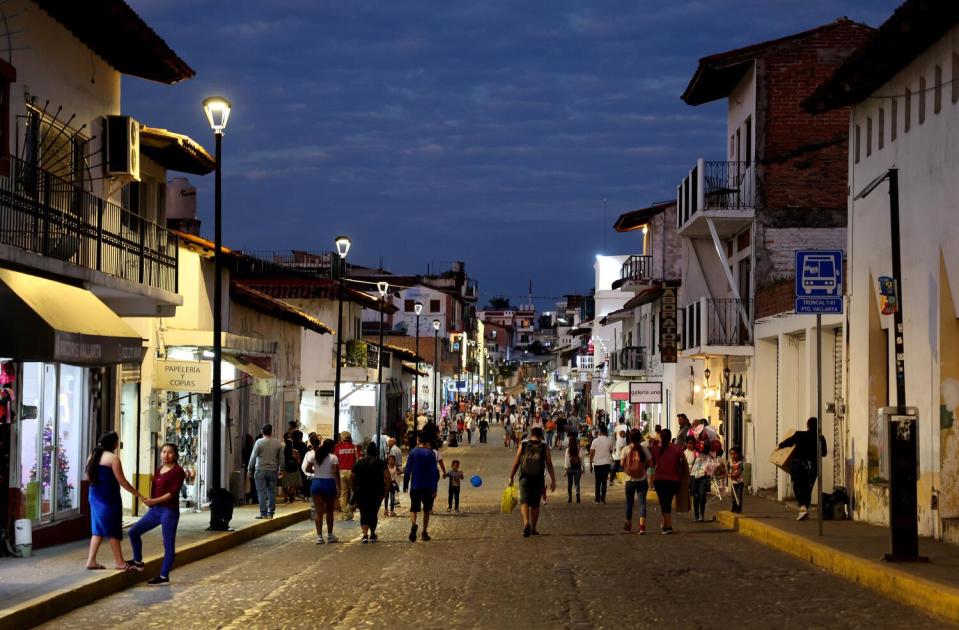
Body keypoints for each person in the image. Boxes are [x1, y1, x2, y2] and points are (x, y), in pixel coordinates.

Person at [129, 443, 186, 584]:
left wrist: (153, 501)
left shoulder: (178, 471)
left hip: (169, 511)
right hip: (155, 510)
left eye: (170, 452)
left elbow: (172, 494)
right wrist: (150, 501)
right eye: (164, 452)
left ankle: (163, 576)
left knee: (168, 544)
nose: (166, 455)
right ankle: (138, 561)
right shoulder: (159, 469)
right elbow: (154, 488)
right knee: (133, 532)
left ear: (175, 455)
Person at [85, 432, 142, 571]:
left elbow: (88, 478)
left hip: (94, 496)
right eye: (117, 440)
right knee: (113, 530)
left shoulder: (92, 456)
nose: (118, 443)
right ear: (113, 444)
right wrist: (137, 494)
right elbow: (122, 481)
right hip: (109, 498)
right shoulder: (113, 458)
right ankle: (120, 562)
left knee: (98, 530)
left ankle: (91, 561)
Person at [508, 427, 556, 537]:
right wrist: (553, 480)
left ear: (531, 434)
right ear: (541, 435)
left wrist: (511, 476)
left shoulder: (524, 444)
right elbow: (549, 463)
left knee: (524, 501)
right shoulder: (544, 447)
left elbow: (516, 462)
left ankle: (526, 523)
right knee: (535, 505)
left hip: (524, 477)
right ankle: (533, 528)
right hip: (538, 478)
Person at [778, 417, 828, 521]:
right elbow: (824, 453)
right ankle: (805, 509)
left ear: (807, 425)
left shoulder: (800, 435)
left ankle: (803, 508)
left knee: (798, 487)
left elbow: (788, 442)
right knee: (807, 488)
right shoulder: (820, 438)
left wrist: (780, 446)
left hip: (798, 466)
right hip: (812, 468)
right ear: (818, 426)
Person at [404, 430, 440, 542]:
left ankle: (414, 524)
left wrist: (405, 483)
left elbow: (408, 469)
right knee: (426, 510)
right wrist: (434, 488)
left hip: (415, 486)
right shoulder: (431, 453)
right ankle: (424, 532)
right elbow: (434, 472)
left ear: (418, 440)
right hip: (428, 487)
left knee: (413, 509)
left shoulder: (413, 452)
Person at [302, 438, 340, 543]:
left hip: (317, 483)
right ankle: (330, 535)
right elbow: (335, 473)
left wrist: (317, 471)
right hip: (329, 484)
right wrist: (339, 488)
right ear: (332, 447)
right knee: (329, 512)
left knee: (318, 513)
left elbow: (307, 469)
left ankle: (319, 537)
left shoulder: (315, 455)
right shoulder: (333, 457)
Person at [352, 443, 390, 543]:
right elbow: (388, 477)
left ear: (366, 452)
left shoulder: (359, 463)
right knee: (373, 513)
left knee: (364, 513)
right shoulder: (380, 463)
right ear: (376, 452)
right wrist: (385, 491)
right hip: (376, 492)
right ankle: (372, 533)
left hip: (362, 491)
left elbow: (352, 477)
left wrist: (354, 489)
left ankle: (365, 535)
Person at [248, 424, 285, 519]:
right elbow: (281, 458)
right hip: (273, 470)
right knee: (271, 492)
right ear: (271, 431)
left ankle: (263, 513)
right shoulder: (278, 443)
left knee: (261, 492)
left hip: (260, 470)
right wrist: (281, 470)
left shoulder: (259, 442)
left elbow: (253, 456)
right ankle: (270, 513)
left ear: (262, 432)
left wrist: (249, 469)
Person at [652, 429, 685, 534]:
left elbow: (652, 463)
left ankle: (668, 526)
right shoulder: (677, 449)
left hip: (660, 479)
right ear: (670, 437)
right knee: (666, 502)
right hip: (674, 480)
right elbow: (683, 461)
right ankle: (665, 523)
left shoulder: (656, 449)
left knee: (664, 503)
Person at [622, 429, 650, 534]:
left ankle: (628, 525)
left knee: (629, 503)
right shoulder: (644, 449)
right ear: (640, 438)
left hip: (629, 480)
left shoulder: (625, 449)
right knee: (642, 503)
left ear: (630, 438)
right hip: (642, 479)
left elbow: (621, 463)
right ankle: (642, 527)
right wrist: (643, 467)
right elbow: (651, 463)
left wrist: (626, 467)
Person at [334, 432, 360, 519]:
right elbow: (359, 460)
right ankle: (351, 509)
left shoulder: (337, 447)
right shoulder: (355, 447)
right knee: (353, 491)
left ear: (341, 438)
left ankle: (345, 511)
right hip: (352, 472)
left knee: (343, 492)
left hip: (341, 472)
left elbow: (335, 461)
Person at [686, 435, 711, 522]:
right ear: (686, 444)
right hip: (692, 477)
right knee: (695, 496)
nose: (691, 445)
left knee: (702, 495)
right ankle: (696, 515)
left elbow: (706, 461)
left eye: (692, 443)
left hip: (702, 476)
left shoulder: (700, 451)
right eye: (689, 443)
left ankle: (702, 514)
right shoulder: (685, 453)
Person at [589, 425, 614, 503]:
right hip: (606, 463)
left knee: (598, 482)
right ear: (606, 432)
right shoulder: (609, 441)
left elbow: (591, 454)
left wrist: (590, 465)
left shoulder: (595, 441)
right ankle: (603, 499)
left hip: (597, 464)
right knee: (604, 481)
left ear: (600, 432)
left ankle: (597, 499)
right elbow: (611, 451)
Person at [281, 435, 302, 503]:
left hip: (285, 469)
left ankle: (285, 497)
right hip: (294, 469)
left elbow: (281, 461)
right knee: (293, 484)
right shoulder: (295, 451)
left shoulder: (283, 452)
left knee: (284, 485)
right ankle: (291, 495)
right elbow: (299, 462)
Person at [564, 433, 583, 503]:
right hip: (578, 468)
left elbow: (566, 461)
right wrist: (583, 468)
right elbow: (581, 459)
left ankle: (570, 497)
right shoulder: (579, 448)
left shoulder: (568, 449)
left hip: (570, 469)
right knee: (577, 483)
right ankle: (577, 495)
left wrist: (566, 469)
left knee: (570, 484)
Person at [729, 446, 745, 514]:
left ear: (738, 454)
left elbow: (738, 473)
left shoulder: (740, 463)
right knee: (733, 496)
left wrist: (731, 475)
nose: (733, 456)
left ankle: (739, 508)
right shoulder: (730, 463)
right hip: (733, 482)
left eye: (735, 454)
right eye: (731, 454)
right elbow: (726, 469)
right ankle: (734, 507)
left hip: (739, 482)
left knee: (738, 496)